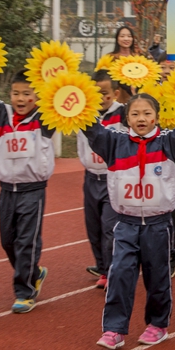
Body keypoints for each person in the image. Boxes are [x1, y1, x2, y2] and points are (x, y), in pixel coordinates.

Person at [87, 93, 175, 350]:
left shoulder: (170, 142)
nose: (141, 119)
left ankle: (157, 324)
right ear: (126, 118)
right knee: (120, 274)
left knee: (157, 275)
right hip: (125, 223)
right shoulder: (113, 142)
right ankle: (114, 329)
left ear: (157, 116)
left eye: (147, 113)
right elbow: (89, 128)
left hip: (158, 225)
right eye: (135, 114)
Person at [0, 70, 55, 313]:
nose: (20, 98)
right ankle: (35, 272)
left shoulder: (44, 118)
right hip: (6, 190)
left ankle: (25, 291)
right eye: (15, 93)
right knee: (8, 241)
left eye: (27, 93)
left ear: (37, 96)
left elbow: (58, 97)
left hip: (32, 190)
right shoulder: (0, 115)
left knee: (26, 240)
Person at [77, 70, 125, 289]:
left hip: (113, 177)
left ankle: (111, 269)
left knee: (109, 227)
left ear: (114, 93)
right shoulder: (83, 113)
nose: (100, 98)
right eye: (94, 93)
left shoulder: (122, 113)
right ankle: (101, 265)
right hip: (90, 178)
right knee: (93, 226)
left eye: (104, 93)